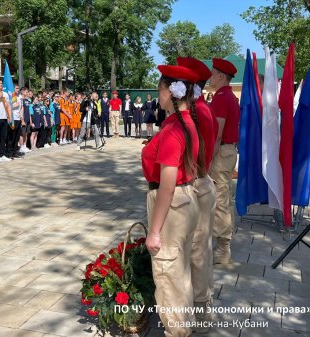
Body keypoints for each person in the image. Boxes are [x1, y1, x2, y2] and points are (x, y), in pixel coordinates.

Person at [143, 65, 200, 337]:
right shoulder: (187, 122)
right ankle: (183, 326)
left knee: (167, 275)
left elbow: (166, 185)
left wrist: (154, 231)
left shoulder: (174, 129)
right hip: (185, 201)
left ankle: (176, 331)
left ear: (169, 92)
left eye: (160, 90)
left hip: (172, 204)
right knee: (181, 274)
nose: (159, 96)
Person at [177, 56, 218, 332]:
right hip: (197, 183)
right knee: (195, 251)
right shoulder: (197, 109)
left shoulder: (199, 112)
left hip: (199, 184)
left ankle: (202, 312)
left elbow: (201, 155)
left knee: (199, 253)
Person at [209, 58, 240, 265]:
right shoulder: (229, 96)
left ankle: (223, 249)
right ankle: (223, 243)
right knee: (224, 198)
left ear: (221, 76)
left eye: (212, 73)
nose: (210, 77)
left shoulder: (221, 98)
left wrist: (207, 158)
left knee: (220, 200)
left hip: (221, 152)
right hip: (227, 151)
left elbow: (217, 133)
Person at [7, 84, 23, 159]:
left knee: (16, 137)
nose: (17, 89)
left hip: (18, 119)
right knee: (11, 136)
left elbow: (21, 107)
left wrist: (21, 116)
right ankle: (9, 153)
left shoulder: (20, 96)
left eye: (18, 88)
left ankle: (14, 152)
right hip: (12, 118)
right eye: (16, 88)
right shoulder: (10, 96)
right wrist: (14, 106)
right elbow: (7, 106)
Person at [20, 88, 32, 153]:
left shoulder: (28, 100)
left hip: (27, 118)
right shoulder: (21, 100)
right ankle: (21, 147)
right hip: (23, 119)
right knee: (22, 133)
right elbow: (21, 110)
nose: (27, 93)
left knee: (26, 133)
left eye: (28, 92)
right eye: (26, 92)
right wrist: (22, 120)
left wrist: (30, 120)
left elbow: (29, 111)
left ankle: (24, 145)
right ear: (22, 92)